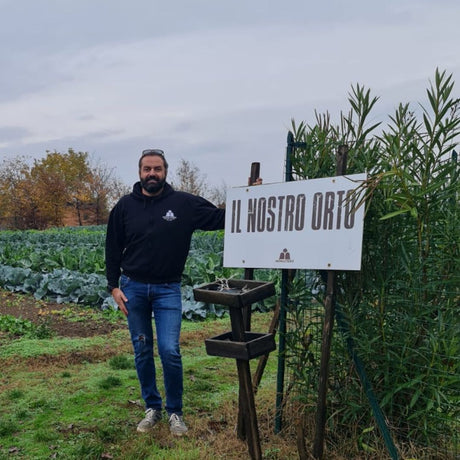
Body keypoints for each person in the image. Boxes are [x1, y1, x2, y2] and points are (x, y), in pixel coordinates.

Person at [106, 149, 253, 436]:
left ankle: (175, 412)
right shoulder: (124, 206)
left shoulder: (183, 203)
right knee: (142, 349)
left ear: (165, 172)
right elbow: (112, 247)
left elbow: (221, 218)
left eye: (157, 169)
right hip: (133, 288)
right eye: (147, 169)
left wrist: (250, 197)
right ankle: (152, 408)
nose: (152, 173)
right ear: (139, 172)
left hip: (167, 290)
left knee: (170, 350)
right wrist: (113, 286)